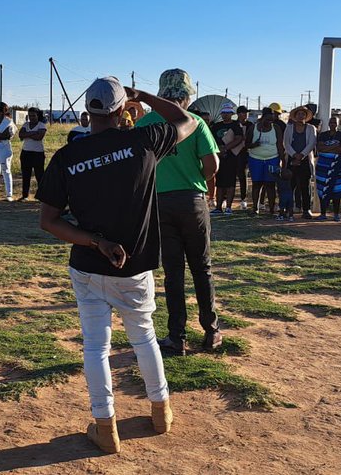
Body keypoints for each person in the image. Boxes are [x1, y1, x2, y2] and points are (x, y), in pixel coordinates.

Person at [37, 76, 197, 454]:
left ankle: (105, 427)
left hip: (90, 266)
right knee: (144, 339)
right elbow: (187, 121)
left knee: (95, 347)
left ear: (85, 112)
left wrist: (97, 241)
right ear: (123, 109)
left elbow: (49, 221)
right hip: (135, 267)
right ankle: (161, 413)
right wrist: (144, 96)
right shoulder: (143, 141)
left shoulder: (67, 157)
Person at [134, 68, 220, 357]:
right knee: (202, 268)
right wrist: (200, 180)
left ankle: (177, 337)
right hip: (192, 201)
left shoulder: (144, 124)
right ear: (185, 97)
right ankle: (211, 331)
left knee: (173, 273)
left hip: (159, 203)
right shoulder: (196, 123)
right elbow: (213, 165)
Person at [246, 107, 283, 218]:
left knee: (270, 184)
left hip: (272, 158)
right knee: (257, 183)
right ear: (262, 118)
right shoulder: (253, 128)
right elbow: (246, 144)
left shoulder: (276, 128)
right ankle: (255, 208)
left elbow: (280, 145)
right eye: (267, 119)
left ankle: (271, 209)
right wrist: (253, 145)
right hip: (255, 158)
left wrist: (282, 160)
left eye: (271, 120)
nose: (269, 122)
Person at [210, 104, 245, 215]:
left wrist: (226, 148)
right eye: (224, 112)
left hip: (232, 156)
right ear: (221, 114)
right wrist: (218, 149)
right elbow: (210, 138)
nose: (226, 114)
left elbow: (239, 138)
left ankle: (229, 207)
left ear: (231, 114)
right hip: (218, 156)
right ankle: (218, 207)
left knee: (230, 183)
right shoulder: (216, 126)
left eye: (228, 113)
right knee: (219, 183)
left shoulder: (235, 125)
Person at [314, 116, 341, 221]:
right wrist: (334, 146)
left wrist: (327, 148)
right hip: (323, 166)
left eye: (335, 122)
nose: (333, 123)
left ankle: (336, 214)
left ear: (338, 124)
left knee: (337, 189)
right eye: (331, 122)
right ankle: (323, 213)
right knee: (322, 189)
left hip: (337, 165)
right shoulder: (323, 135)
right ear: (329, 123)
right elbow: (319, 148)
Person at [284, 106, 317, 219]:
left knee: (305, 186)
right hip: (292, 160)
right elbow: (286, 143)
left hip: (305, 160)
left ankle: (306, 209)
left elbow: (312, 143)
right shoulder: (289, 128)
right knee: (290, 185)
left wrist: (301, 155)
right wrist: (294, 155)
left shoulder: (311, 128)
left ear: (306, 116)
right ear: (295, 116)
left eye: (303, 114)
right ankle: (288, 208)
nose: (300, 116)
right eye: (299, 114)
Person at [18, 108, 48, 201]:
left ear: (38, 115)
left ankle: (41, 196)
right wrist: (33, 132)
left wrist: (27, 134)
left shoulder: (41, 125)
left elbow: (39, 137)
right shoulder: (26, 124)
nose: (31, 117)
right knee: (26, 175)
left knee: (39, 175)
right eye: (30, 115)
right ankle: (25, 195)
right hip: (26, 152)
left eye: (33, 115)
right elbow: (20, 135)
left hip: (38, 153)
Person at [235, 105, 253, 209]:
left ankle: (243, 198)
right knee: (231, 175)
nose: (245, 114)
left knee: (243, 176)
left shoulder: (250, 124)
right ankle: (225, 198)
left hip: (246, 152)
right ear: (238, 114)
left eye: (246, 112)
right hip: (233, 152)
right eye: (243, 112)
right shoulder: (234, 124)